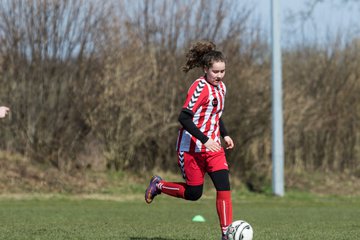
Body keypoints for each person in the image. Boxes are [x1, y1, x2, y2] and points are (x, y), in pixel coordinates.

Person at [145, 40, 234, 240]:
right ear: (205, 69)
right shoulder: (199, 88)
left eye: (223, 71)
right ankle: (158, 185)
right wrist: (204, 139)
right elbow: (183, 118)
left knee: (224, 186)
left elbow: (215, 115)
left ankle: (226, 234)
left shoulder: (221, 88)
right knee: (194, 193)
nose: (219, 76)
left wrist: (225, 134)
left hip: (213, 149)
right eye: (215, 72)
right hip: (191, 148)